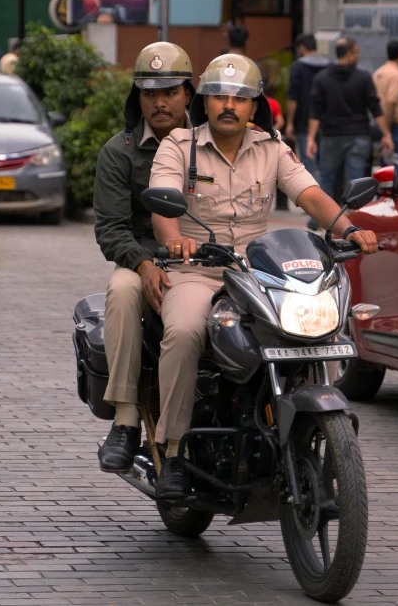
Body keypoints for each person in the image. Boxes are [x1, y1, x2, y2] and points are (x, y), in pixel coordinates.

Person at [148, 53, 379, 498]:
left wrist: (351, 229)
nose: (228, 105)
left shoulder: (272, 149)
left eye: (240, 97)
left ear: (255, 106)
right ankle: (174, 449)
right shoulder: (178, 145)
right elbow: (164, 207)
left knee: (314, 328)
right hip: (198, 270)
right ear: (205, 102)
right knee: (183, 331)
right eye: (218, 96)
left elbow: (310, 195)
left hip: (256, 273)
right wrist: (176, 238)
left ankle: (309, 426)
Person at [95, 42, 195, 474]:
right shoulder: (119, 151)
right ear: (137, 97)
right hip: (143, 259)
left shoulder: (211, 143)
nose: (160, 102)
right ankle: (124, 419)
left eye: (170, 91)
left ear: (189, 95)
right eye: (150, 92)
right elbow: (111, 229)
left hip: (206, 260)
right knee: (119, 291)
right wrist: (143, 263)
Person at [306, 37, 394, 200]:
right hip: (358, 135)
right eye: (357, 51)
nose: (359, 55)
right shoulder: (364, 78)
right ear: (349, 54)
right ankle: (352, 218)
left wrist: (311, 138)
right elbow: (375, 108)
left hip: (331, 136)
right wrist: (386, 134)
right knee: (356, 180)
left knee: (326, 179)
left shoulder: (322, 78)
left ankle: (323, 219)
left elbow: (315, 111)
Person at [285, 33, 329, 175]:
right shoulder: (329, 67)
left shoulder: (298, 67)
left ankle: (310, 194)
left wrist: (290, 122)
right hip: (327, 122)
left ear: (302, 48)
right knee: (326, 165)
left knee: (308, 162)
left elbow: (293, 97)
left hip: (303, 121)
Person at [372, 40, 398, 165]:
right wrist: (387, 133)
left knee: (386, 163)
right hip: (393, 125)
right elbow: (390, 103)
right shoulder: (396, 75)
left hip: (379, 123)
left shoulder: (378, 72)